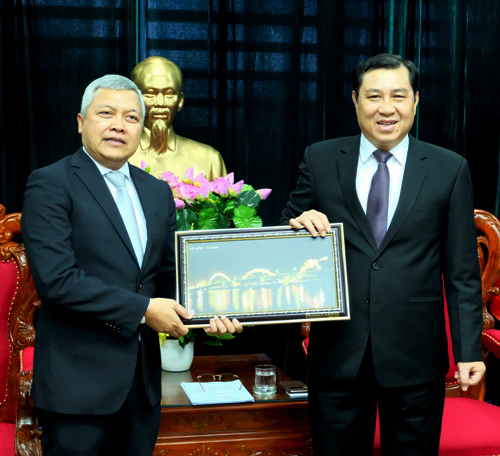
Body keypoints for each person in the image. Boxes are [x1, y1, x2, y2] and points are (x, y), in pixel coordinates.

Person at [21, 74, 242, 456]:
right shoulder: (51, 184)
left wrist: (214, 312)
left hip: (141, 388)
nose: (118, 125)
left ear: (141, 128)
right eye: (106, 113)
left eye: (131, 118)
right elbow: (58, 281)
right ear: (80, 121)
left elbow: (172, 277)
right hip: (78, 390)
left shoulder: (155, 191)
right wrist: (144, 311)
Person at [279, 53, 485, 455]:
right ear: (356, 100)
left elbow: (462, 271)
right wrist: (298, 222)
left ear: (416, 101)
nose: (386, 108)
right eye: (374, 96)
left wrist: (468, 351)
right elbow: (286, 231)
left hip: (415, 354)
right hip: (338, 353)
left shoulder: (448, 168)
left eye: (399, 96)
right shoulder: (320, 159)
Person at [129, 56, 227, 180]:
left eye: (169, 94)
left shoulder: (208, 159)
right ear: (134, 99)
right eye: (150, 94)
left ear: (180, 101)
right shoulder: (115, 158)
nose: (160, 103)